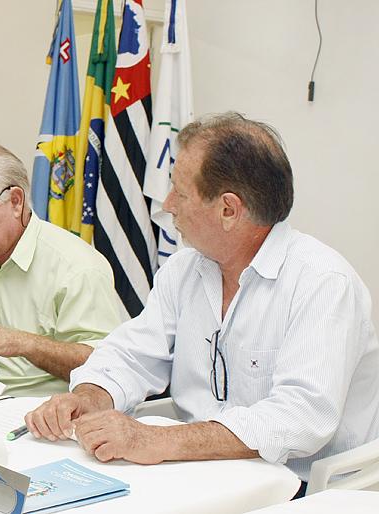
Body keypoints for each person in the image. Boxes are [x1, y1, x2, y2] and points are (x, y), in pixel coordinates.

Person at [25, 112, 379, 491]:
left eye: (180, 191)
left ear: (228, 210)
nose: (167, 204)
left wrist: (157, 440)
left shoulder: (323, 283)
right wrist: (90, 397)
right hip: (201, 472)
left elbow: (300, 417)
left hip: (305, 489)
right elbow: (132, 355)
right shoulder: (184, 270)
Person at [0, 140, 121, 396]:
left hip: (43, 408)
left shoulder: (77, 267)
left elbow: (104, 366)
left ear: (16, 201)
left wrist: (22, 343)